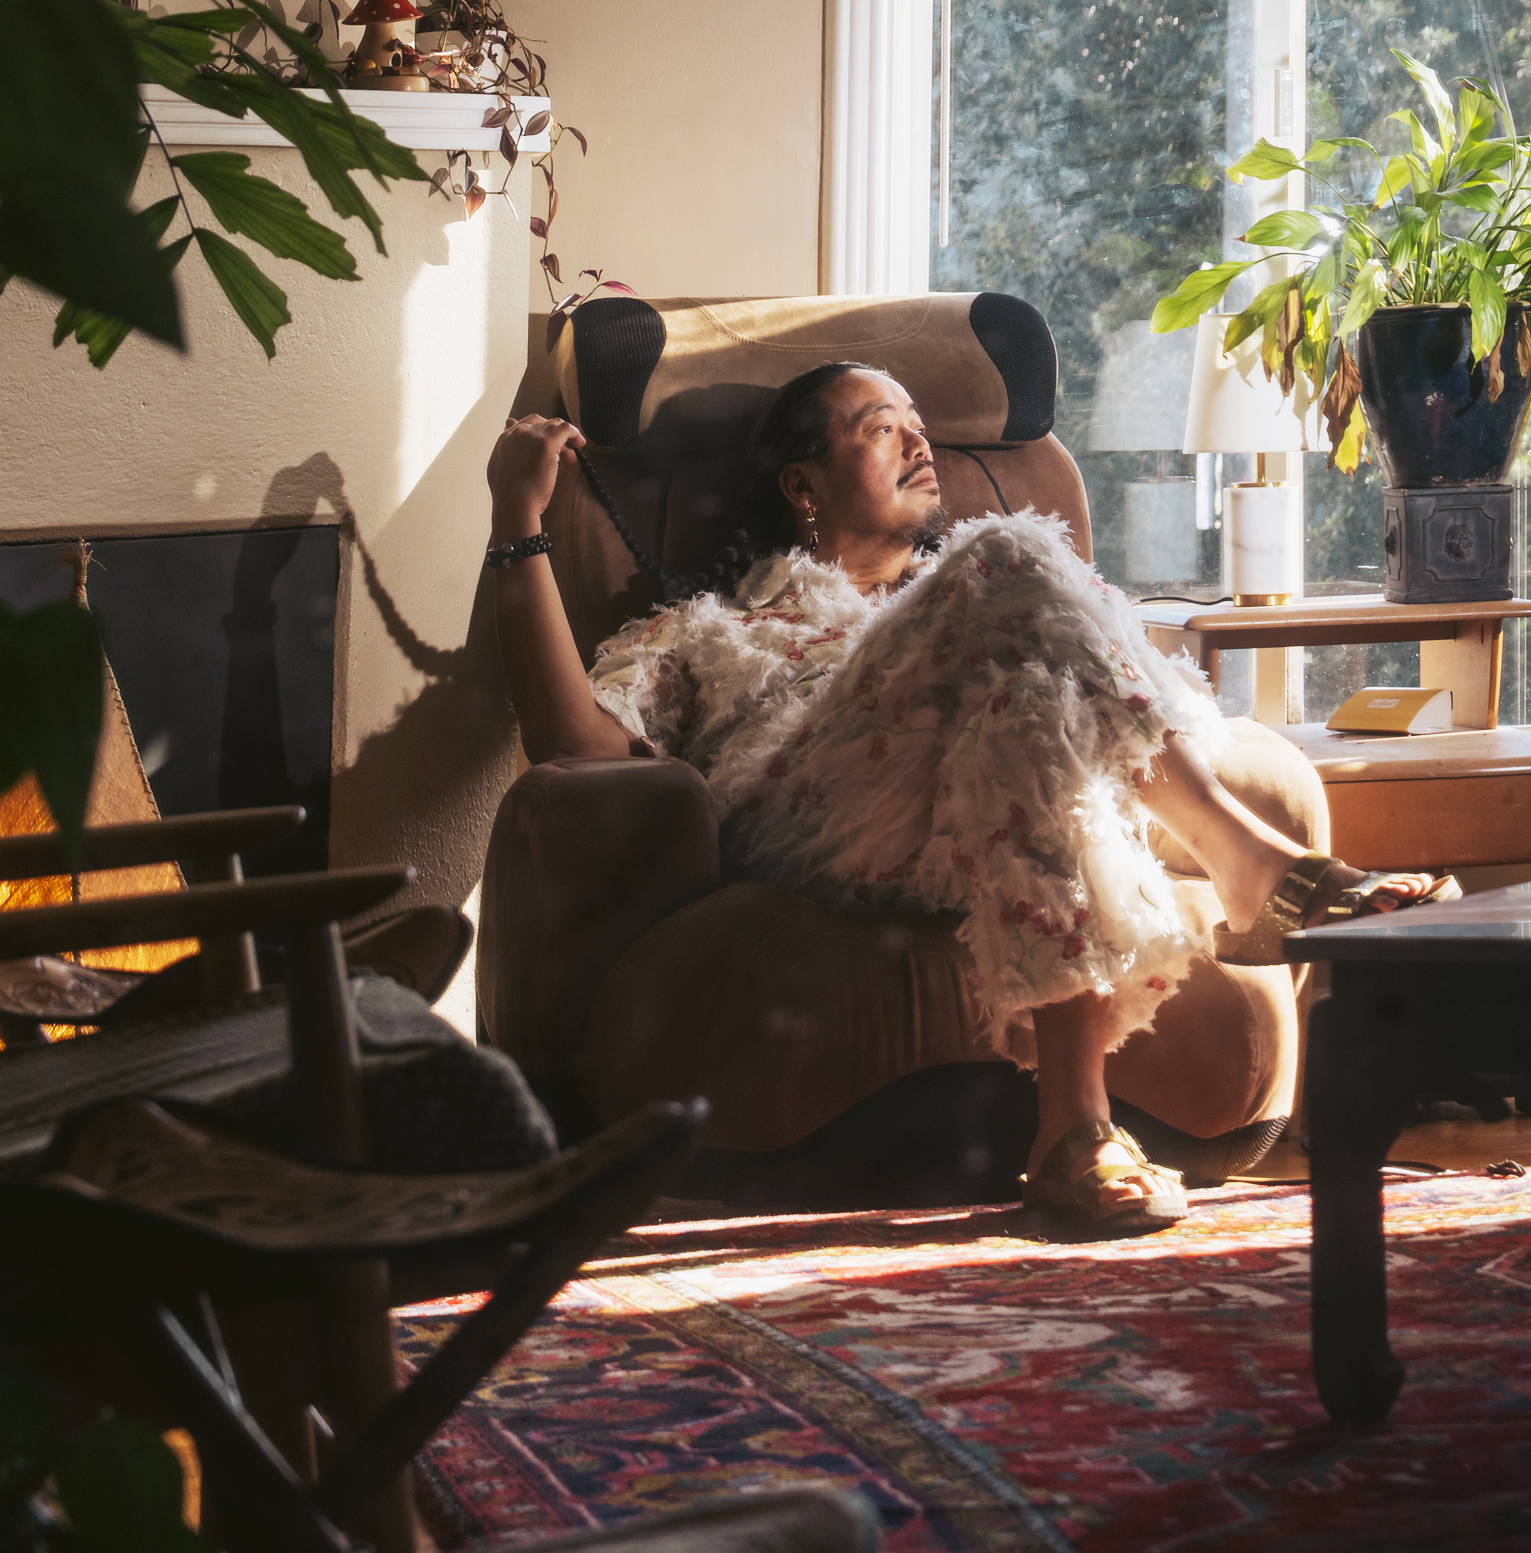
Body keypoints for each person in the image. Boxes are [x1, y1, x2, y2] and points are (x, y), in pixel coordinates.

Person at [484, 361, 1455, 1235]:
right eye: (879, 424)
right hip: (814, 817)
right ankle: (1259, 871)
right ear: (802, 484)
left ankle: (1077, 1133)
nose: (919, 441)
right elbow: (576, 746)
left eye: (920, 419)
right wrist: (520, 521)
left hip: (989, 794)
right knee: (1011, 557)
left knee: (1026, 682)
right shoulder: (711, 629)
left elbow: (1149, 721)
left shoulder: (1013, 621)